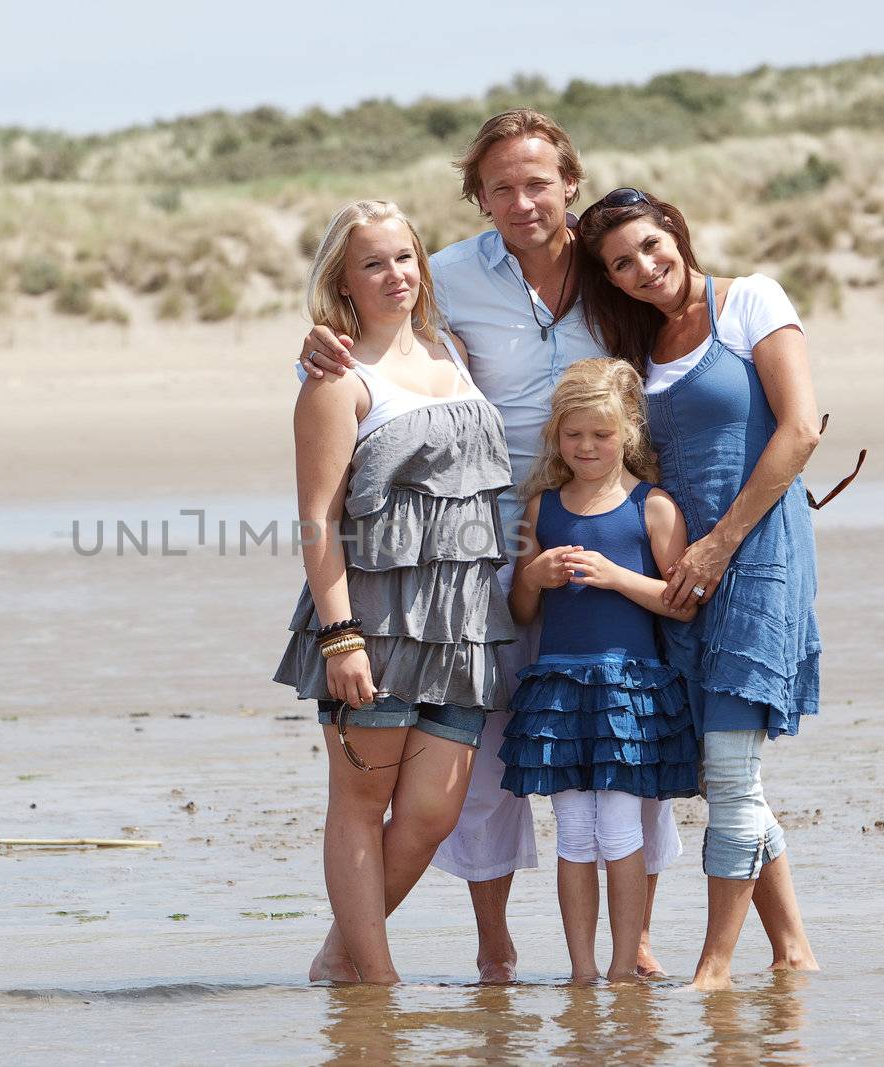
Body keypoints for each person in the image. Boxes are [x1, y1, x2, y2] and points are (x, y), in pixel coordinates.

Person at [300, 109, 679, 982]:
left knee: (630, 729)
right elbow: (356, 373)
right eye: (500, 186)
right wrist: (316, 341)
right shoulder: (454, 278)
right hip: (477, 559)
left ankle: (636, 941)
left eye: (537, 182)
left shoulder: (617, 268)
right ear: (477, 197)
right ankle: (489, 943)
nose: (522, 201)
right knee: (485, 762)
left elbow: (683, 312)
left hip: (606, 529)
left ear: (570, 183)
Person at [577, 187, 828, 990]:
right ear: (610, 280)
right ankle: (793, 951)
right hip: (683, 572)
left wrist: (722, 543)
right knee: (732, 771)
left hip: (757, 555)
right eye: (622, 263)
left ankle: (714, 967)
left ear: (676, 231)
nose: (645, 268)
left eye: (651, 245)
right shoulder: (639, 349)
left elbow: (802, 428)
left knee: (728, 773)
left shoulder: (751, 299)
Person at [273, 199, 516, 984]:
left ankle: (338, 958)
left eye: (405, 257)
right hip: (373, 618)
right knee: (360, 803)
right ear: (343, 281)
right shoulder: (337, 380)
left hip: (463, 619)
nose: (395, 275)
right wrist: (339, 635)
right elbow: (318, 519)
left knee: (433, 812)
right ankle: (377, 986)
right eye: (372, 262)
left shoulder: (454, 349)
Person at [502, 358, 701, 983]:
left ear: (628, 434)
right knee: (572, 833)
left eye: (602, 434)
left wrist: (616, 577)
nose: (587, 447)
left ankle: (622, 967)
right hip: (558, 690)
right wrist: (532, 576)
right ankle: (582, 970)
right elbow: (522, 609)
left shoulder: (654, 506)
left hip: (629, 690)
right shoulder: (542, 508)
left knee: (619, 827)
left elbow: (682, 603)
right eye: (573, 435)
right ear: (557, 436)